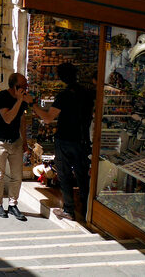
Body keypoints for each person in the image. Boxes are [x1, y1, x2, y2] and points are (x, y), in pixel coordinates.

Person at [31, 63, 93, 221]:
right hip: (82, 139)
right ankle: (87, 211)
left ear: (61, 77)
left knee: (64, 175)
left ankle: (69, 210)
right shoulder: (87, 93)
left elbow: (47, 118)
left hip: (65, 139)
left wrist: (32, 104)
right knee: (82, 176)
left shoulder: (64, 95)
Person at [0, 73, 32, 221]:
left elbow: (21, 119)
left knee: (17, 176)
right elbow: (8, 118)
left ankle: (13, 204)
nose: (26, 88)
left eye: (26, 85)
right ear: (15, 87)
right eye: (23, 86)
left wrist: (24, 141)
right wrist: (19, 100)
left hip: (15, 141)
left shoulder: (23, 99)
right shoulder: (2, 97)